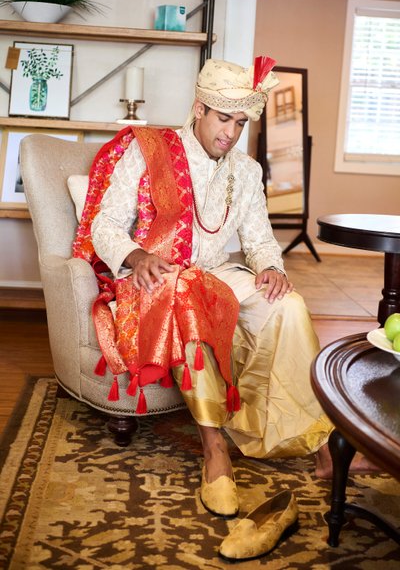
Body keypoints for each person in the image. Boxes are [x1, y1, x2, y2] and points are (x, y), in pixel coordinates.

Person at [77, 56, 333, 519]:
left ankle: (309, 433)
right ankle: (214, 448)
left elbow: (258, 239)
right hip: (154, 280)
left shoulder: (247, 171)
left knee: (288, 305)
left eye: (240, 122)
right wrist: (136, 256)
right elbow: (105, 225)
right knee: (187, 292)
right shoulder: (149, 150)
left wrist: (271, 266)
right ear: (199, 108)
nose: (231, 133)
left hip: (213, 275)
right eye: (222, 118)